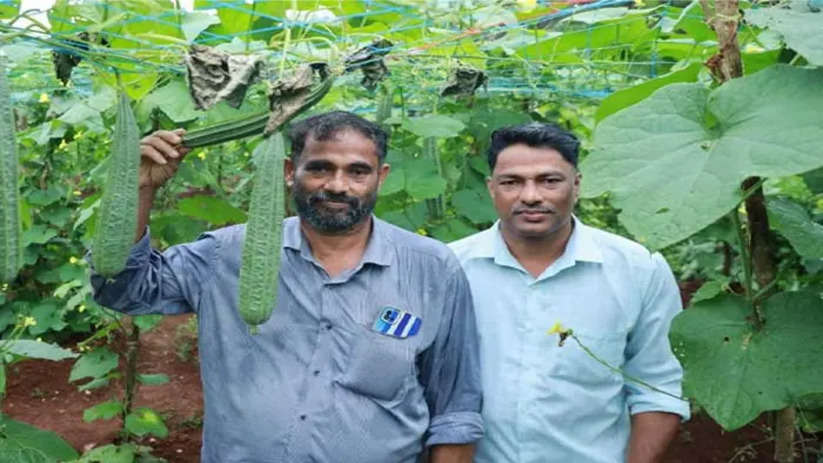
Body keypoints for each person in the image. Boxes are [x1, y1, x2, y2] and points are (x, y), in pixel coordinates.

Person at [90, 111, 483, 463]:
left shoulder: (432, 268)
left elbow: (455, 408)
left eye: (357, 171)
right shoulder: (226, 255)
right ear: (288, 171)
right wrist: (138, 187)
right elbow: (122, 289)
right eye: (320, 168)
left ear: (380, 176)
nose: (338, 185)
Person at [449, 122, 689, 463]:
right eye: (511, 182)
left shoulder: (638, 271)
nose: (530, 195)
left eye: (549, 180)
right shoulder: (449, 268)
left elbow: (658, 388)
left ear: (576, 185)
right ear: (491, 188)